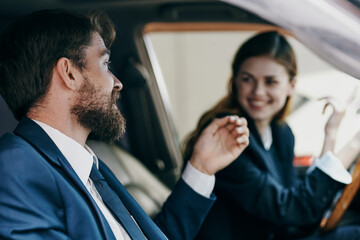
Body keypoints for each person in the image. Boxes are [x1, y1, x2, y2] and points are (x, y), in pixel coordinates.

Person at [0, 9, 250, 240]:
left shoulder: (89, 166)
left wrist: (201, 168)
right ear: (69, 73)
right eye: (105, 64)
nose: (117, 83)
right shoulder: (14, 167)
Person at [183, 31, 360, 240]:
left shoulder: (281, 133)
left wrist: (330, 134)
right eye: (248, 79)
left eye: (271, 82)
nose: (258, 91)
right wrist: (355, 144)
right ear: (235, 81)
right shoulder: (226, 135)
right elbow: (292, 210)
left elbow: (301, 210)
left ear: (291, 86)